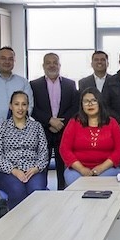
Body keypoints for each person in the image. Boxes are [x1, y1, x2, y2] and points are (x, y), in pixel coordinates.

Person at [0, 91, 48, 209]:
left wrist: (36, 168)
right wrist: (14, 171)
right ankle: (18, 220)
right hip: (8, 172)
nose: (20, 108)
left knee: (36, 190)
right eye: (16, 104)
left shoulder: (37, 127)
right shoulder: (1, 127)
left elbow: (43, 152)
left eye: (24, 104)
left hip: (33, 170)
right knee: (17, 190)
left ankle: (36, 220)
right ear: (10, 106)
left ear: (28, 106)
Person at [30, 53, 79, 190]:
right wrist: (49, 121)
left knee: (63, 165)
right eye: (48, 62)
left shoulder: (70, 84)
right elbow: (33, 108)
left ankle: (62, 193)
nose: (52, 65)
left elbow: (74, 106)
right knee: (42, 165)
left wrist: (60, 123)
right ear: (43, 65)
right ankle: (42, 192)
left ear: (59, 65)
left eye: (55, 62)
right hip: (43, 131)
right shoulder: (34, 85)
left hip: (64, 130)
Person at [0, 46, 34, 166]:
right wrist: (5, 126)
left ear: (14, 61)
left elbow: (29, 105)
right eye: (3, 58)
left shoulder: (22, 81)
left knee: (20, 165)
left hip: (21, 131)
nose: (7, 62)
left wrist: (16, 125)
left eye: (10, 59)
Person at [59, 87, 120, 187]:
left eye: (94, 100)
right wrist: (82, 169)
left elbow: (119, 150)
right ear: (81, 105)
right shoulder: (74, 122)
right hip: (77, 170)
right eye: (86, 101)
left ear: (100, 103)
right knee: (78, 184)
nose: (90, 104)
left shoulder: (112, 123)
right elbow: (64, 149)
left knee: (99, 184)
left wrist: (101, 168)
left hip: (107, 169)